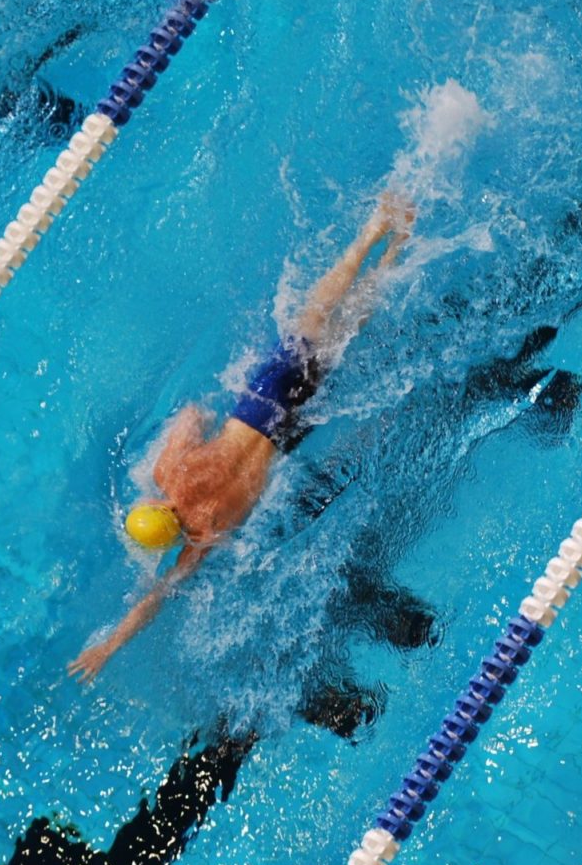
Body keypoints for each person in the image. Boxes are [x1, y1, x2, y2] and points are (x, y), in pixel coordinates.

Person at [67, 193, 416, 683]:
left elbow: (158, 595)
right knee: (315, 316)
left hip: (290, 426)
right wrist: (167, 447)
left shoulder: (204, 535)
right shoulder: (171, 474)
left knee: (349, 328)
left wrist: (110, 645)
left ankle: (397, 246)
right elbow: (194, 413)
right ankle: (373, 230)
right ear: (154, 505)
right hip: (258, 401)